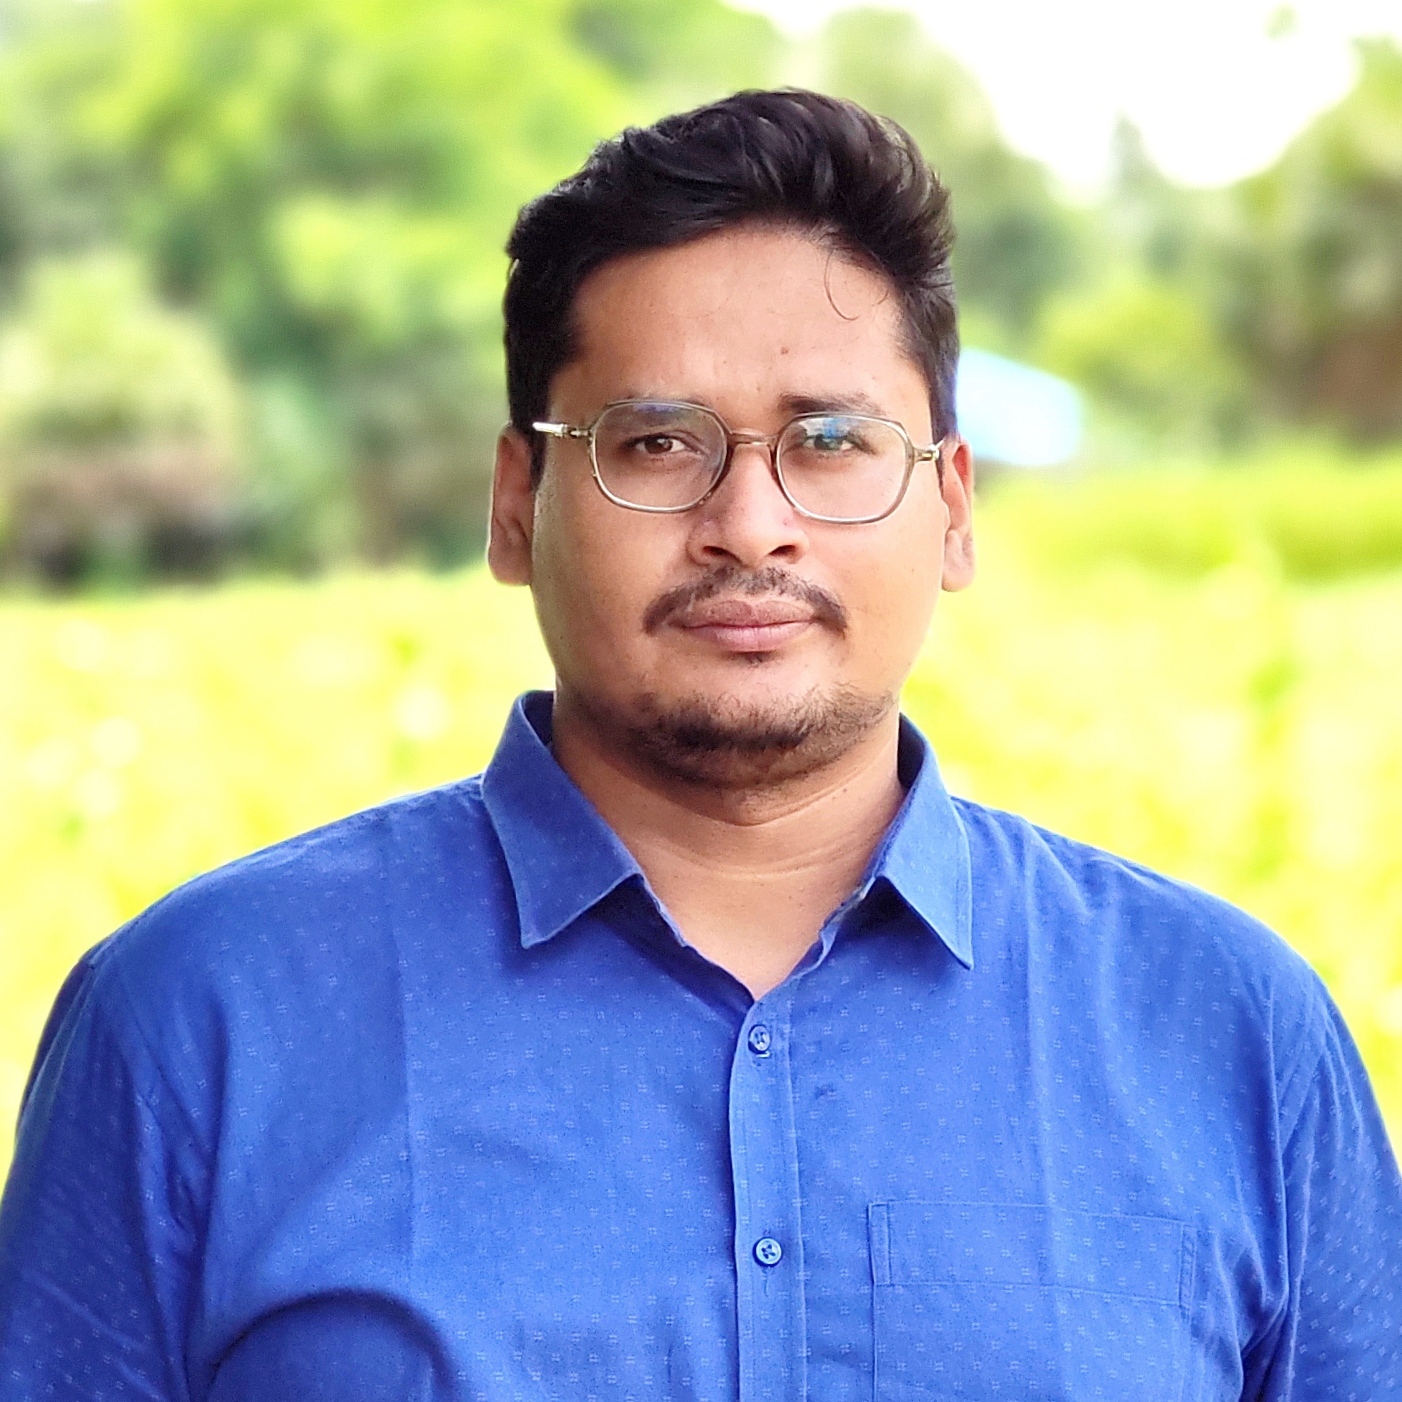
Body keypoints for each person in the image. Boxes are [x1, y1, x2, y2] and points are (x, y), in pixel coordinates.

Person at [1, 89, 1399, 1402]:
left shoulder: (1228, 1033)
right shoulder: (199, 1018)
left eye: (832, 440)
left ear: (954, 509)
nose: (751, 526)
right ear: (515, 502)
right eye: (658, 444)